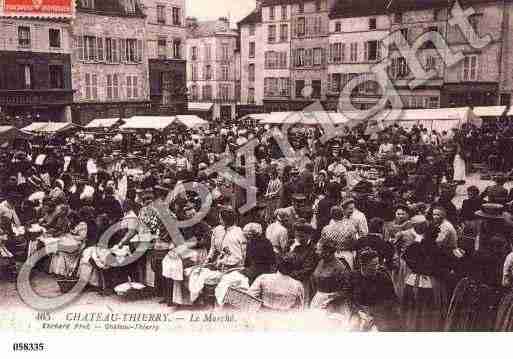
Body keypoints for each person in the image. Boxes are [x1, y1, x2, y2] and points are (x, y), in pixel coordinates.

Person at [349, 248, 401, 331]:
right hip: (359, 312)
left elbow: (393, 299)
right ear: (363, 264)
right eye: (373, 265)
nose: (376, 267)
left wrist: (373, 312)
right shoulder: (353, 277)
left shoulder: (383, 277)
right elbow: (349, 297)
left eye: (377, 264)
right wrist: (359, 311)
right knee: (352, 327)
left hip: (380, 314)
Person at [311, 239, 351, 313]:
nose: (316, 252)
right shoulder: (320, 262)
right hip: (318, 299)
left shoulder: (340, 267)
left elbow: (346, 289)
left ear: (327, 252)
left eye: (319, 250)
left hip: (333, 304)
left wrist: (331, 299)